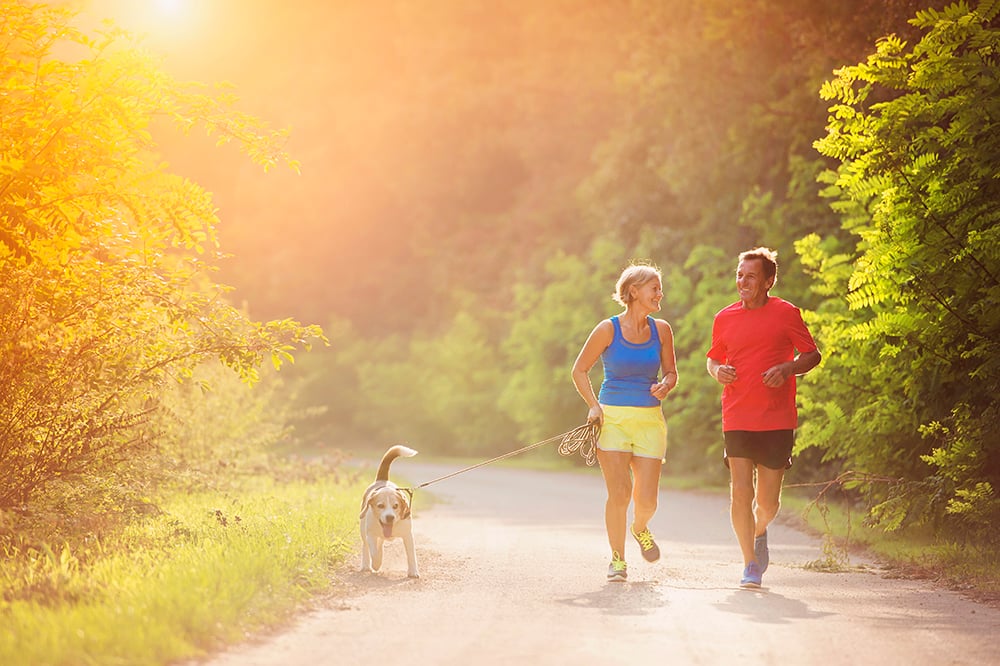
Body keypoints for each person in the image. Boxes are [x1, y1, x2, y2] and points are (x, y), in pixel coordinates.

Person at [706, 247, 821, 588]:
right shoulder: (724, 317)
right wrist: (717, 371)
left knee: (767, 503)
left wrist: (788, 368)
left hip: (776, 417)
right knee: (740, 492)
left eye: (751, 276)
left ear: (768, 281)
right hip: (737, 413)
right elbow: (712, 358)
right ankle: (749, 563)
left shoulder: (786, 313)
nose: (743, 281)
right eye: (740, 275)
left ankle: (759, 530)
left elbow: (812, 355)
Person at [572, 261, 678, 582]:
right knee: (619, 493)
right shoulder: (607, 329)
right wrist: (593, 406)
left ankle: (640, 527)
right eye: (654, 288)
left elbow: (671, 372)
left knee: (647, 499)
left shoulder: (662, 330)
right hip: (612, 419)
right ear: (634, 291)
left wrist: (666, 385)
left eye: (659, 289)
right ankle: (617, 559)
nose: (660, 294)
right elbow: (579, 370)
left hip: (649, 421)